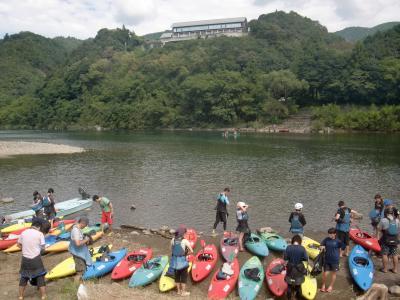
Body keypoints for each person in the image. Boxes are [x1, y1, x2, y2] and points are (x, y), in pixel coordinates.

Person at [17, 218, 48, 300]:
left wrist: (25, 249)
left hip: (25, 259)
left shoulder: (23, 233)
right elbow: (43, 248)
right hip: (36, 258)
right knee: (40, 276)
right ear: (39, 226)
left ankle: (20, 296)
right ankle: (43, 296)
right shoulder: (39, 234)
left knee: (24, 277)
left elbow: (18, 245)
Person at [319, 228, 345, 293]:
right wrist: (322, 247)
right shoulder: (326, 239)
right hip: (327, 260)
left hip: (335, 260)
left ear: (334, 234)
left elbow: (343, 247)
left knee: (333, 274)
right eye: (329, 233)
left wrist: (340, 254)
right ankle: (323, 285)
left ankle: (331, 286)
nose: (329, 235)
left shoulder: (338, 241)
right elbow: (321, 245)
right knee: (325, 273)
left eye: (331, 234)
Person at [170, 226, 193, 296]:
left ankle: (178, 291)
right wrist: (186, 254)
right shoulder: (184, 241)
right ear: (183, 233)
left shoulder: (173, 240)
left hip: (174, 262)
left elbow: (171, 249)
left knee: (177, 276)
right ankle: (183, 292)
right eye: (184, 233)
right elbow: (191, 251)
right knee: (183, 277)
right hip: (182, 262)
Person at [284, 235, 308, 300]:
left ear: (292, 241)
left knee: (289, 285)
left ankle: (289, 298)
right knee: (298, 285)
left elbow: (285, 258)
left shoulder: (288, 247)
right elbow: (306, 259)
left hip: (290, 267)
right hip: (299, 268)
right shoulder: (302, 248)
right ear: (300, 241)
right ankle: (298, 297)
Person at [377, 208, 399, 273]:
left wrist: (378, 237)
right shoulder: (397, 220)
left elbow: (378, 228)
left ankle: (385, 269)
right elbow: (398, 231)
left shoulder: (383, 220)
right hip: (395, 240)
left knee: (384, 254)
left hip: (386, 240)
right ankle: (395, 269)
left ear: (386, 213)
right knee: (395, 254)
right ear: (393, 213)